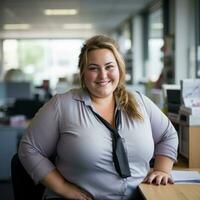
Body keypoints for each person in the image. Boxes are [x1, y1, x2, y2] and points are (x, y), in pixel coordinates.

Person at [18, 35, 178, 200]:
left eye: (109, 66)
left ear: (119, 69)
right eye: (93, 68)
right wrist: (63, 187)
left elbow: (168, 135)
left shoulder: (140, 102)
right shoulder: (62, 105)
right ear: (83, 73)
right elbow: (29, 148)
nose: (103, 75)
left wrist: (162, 170)